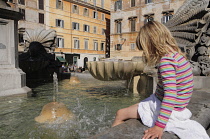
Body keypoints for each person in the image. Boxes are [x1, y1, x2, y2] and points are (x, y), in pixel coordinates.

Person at [112, 21, 209, 139]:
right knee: (138, 105)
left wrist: (159, 126)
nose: (145, 53)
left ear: (151, 44)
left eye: (144, 48)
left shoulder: (166, 62)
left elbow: (170, 95)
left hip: (168, 109)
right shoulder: (177, 57)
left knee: (120, 113)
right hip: (176, 106)